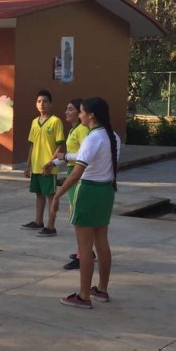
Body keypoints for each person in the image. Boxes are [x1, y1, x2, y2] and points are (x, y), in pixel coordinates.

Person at [51, 97, 121, 309]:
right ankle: (101, 289)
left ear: (91, 115)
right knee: (102, 243)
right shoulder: (113, 137)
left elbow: (76, 174)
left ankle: (83, 296)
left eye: (81, 111)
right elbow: (84, 157)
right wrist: (63, 157)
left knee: (85, 248)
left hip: (88, 191)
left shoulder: (92, 138)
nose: (79, 115)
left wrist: (57, 196)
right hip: (106, 191)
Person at [45, 99, 93, 263]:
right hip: (73, 170)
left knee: (78, 215)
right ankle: (85, 251)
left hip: (79, 174)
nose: (66, 112)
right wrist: (54, 163)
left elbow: (83, 156)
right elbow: (70, 156)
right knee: (75, 213)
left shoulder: (82, 131)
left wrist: (63, 158)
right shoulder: (73, 130)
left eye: (71, 109)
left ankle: (83, 254)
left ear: (80, 114)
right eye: (67, 109)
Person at [22, 90, 64, 234]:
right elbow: (32, 144)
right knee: (38, 194)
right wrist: (28, 165)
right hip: (36, 166)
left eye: (45, 101)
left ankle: (51, 226)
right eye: (39, 101)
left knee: (51, 195)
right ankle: (38, 221)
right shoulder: (34, 122)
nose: (42, 104)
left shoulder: (55, 121)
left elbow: (60, 145)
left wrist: (51, 162)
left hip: (48, 166)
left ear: (50, 104)